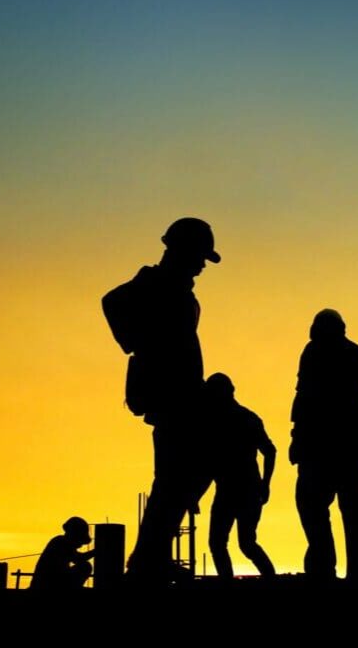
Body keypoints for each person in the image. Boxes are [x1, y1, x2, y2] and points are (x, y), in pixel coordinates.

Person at [102, 217, 221, 584]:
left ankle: (150, 557)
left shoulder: (178, 289)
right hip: (170, 396)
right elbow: (111, 301)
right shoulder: (155, 282)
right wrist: (137, 342)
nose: (203, 264)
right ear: (182, 250)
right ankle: (146, 561)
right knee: (175, 480)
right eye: (200, 256)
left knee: (180, 479)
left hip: (183, 394)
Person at [289, 308, 358, 583]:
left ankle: (352, 573)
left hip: (342, 445)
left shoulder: (351, 354)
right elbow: (303, 400)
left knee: (347, 510)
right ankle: (327, 569)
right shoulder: (313, 353)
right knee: (319, 507)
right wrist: (297, 438)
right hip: (322, 445)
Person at [204, 372, 276, 580]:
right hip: (236, 490)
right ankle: (266, 580)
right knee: (233, 543)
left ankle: (269, 580)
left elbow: (270, 451)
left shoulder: (230, 421)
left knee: (237, 543)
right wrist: (265, 484)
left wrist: (266, 484)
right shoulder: (243, 419)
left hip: (242, 490)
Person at [30, 516, 95, 590]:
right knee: (85, 566)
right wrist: (95, 552)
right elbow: (78, 559)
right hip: (48, 584)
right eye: (80, 542)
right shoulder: (61, 542)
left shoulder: (59, 542)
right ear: (75, 535)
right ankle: (71, 588)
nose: (80, 546)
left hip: (49, 582)